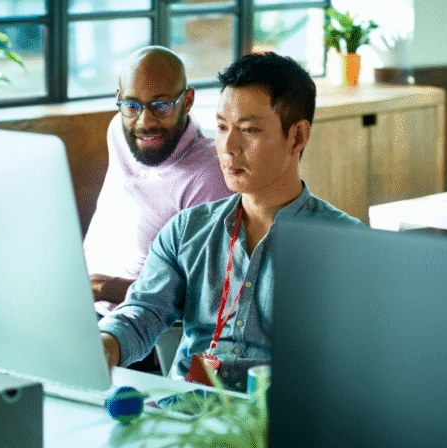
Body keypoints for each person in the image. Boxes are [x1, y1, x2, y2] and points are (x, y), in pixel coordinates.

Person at [98, 52, 362, 392]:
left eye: (249, 130)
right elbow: (142, 313)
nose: (229, 147)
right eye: (222, 127)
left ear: (296, 137)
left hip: (275, 427)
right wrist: (106, 343)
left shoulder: (345, 244)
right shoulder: (186, 231)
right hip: (186, 415)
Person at [83, 46, 232, 311]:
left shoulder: (208, 175)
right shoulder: (119, 131)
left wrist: (103, 288)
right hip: (81, 303)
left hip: (130, 328)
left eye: (160, 106)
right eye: (131, 105)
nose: (144, 122)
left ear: (187, 100)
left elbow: (204, 294)